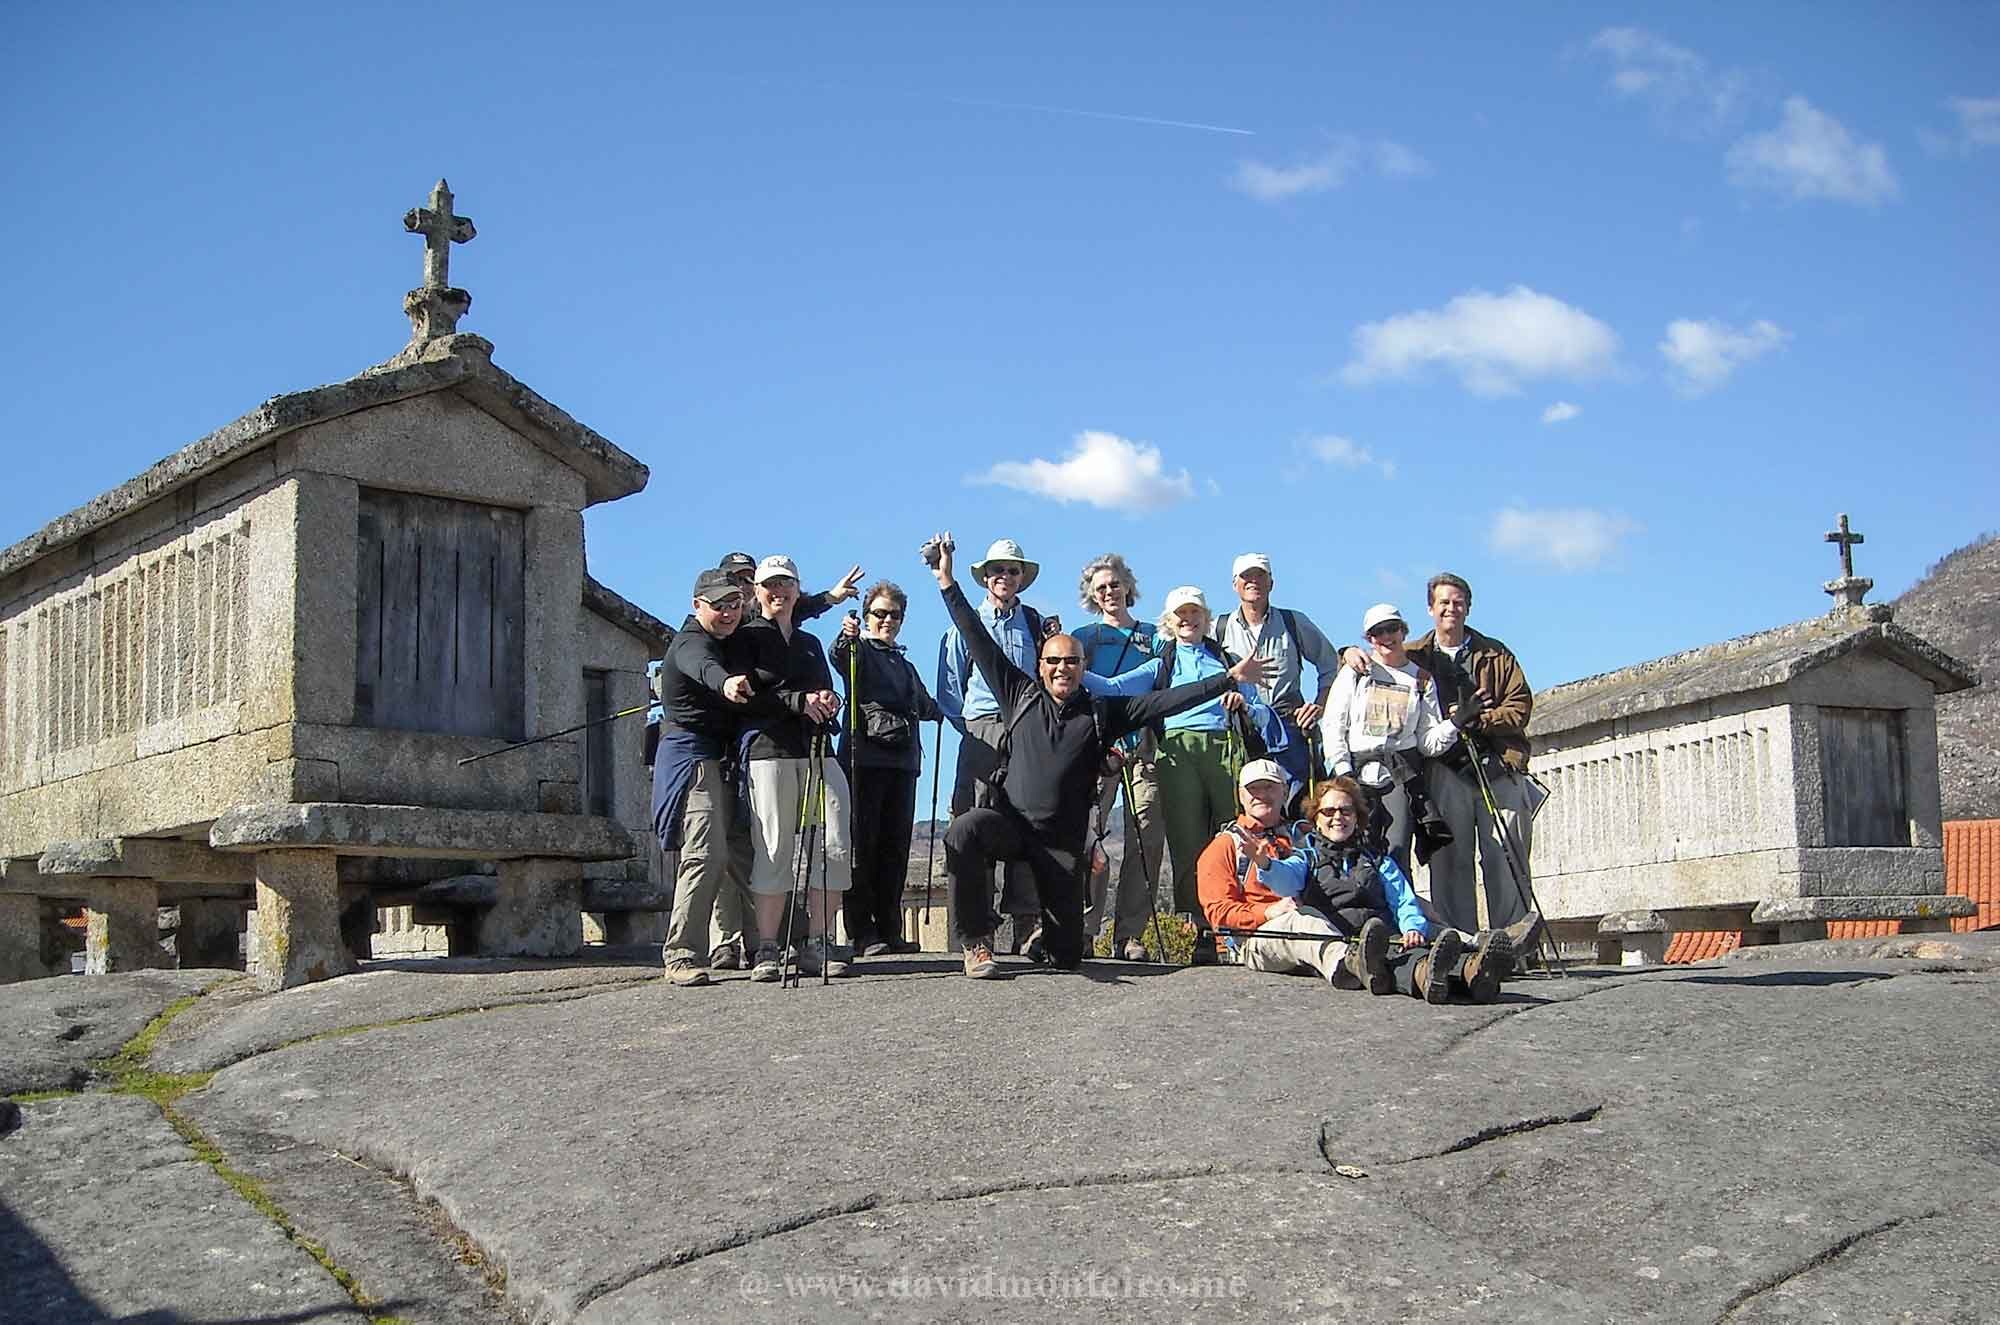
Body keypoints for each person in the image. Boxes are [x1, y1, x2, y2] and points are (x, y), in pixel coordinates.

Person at [923, 533, 1274, 978]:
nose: (1061, 669)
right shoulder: (1019, 695)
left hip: (1061, 847)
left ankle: (1050, 941)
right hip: (1011, 828)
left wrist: (1226, 680)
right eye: (1053, 662)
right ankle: (976, 942)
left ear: (1083, 668)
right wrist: (946, 582)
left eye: (1071, 662)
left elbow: (1167, 701)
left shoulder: (1103, 712)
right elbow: (976, 637)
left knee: (1067, 957)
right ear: (1039, 665)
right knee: (965, 830)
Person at [1276, 776, 1512, 1003]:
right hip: (1348, 946)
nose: (1338, 817)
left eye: (1346, 811)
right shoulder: (1306, 858)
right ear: (1316, 818)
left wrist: (1412, 927)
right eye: (1329, 811)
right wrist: (1265, 865)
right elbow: (1284, 879)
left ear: (1357, 817)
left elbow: (1402, 898)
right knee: (1397, 960)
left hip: (1386, 933)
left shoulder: (1376, 858)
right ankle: (1443, 974)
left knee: (1410, 946)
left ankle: (1475, 972)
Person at [935, 538, 1059, 953]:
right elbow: (950, 690)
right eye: (997, 571)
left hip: (1027, 732)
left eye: (1012, 570)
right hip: (981, 730)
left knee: (1030, 820)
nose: (1004, 576)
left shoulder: (1036, 623)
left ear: (1022, 577)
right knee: (975, 823)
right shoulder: (965, 626)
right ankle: (978, 932)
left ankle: (1028, 926)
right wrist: (972, 729)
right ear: (985, 578)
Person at [737, 556, 856, 981]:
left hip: (818, 749)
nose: (779, 591)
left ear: (796, 589)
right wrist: (796, 702)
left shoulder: (808, 642)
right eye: (771, 584)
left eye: (786, 583)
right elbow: (746, 698)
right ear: (757, 590)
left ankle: (820, 941)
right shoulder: (745, 637)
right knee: (773, 846)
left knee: (836, 842)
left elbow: (823, 686)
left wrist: (827, 700)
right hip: (769, 753)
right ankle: (767, 946)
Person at [1406, 572, 1541, 947]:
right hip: (1445, 768)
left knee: (1507, 858)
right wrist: (1345, 654)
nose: (1451, 608)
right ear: (1431, 608)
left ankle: (1512, 943)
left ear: (1468, 606)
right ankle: (1459, 945)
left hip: (1499, 763)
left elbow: (1520, 707)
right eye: (1443, 602)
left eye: (1458, 601)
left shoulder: (1496, 654)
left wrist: (1478, 719)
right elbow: (1376, 660)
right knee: (1450, 862)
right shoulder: (1415, 656)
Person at [1149, 586, 1277, 964]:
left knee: (1233, 836)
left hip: (1224, 747)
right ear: (1169, 622)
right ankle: (1202, 927)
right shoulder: (1162, 662)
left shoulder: (1227, 659)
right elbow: (1122, 692)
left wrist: (1243, 702)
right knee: (1187, 841)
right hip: (1177, 751)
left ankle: (1241, 924)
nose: (1188, 620)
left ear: (1206, 618)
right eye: (1180, 615)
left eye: (1195, 613)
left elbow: (1263, 713)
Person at [651, 568, 763, 987]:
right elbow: (704, 668)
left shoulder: (735, 638)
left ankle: (770, 944)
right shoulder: (690, 643)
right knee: (706, 853)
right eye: (719, 606)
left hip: (729, 760)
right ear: (697, 605)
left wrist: (826, 599)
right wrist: (728, 684)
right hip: (694, 760)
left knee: (748, 853)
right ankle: (681, 954)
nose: (729, 613)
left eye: (735, 604)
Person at [1320, 603, 1478, 877]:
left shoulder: (1421, 679)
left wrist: (1455, 722)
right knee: (1356, 848)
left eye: (1391, 628)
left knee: (1397, 851)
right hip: (1357, 772)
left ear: (1403, 631)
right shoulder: (1354, 672)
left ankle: (1401, 917)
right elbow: (1334, 725)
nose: (1386, 637)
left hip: (1400, 777)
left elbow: (1427, 742)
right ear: (1369, 639)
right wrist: (1344, 774)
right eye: (1377, 632)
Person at [833, 581, 942, 956]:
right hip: (864, 763)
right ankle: (863, 932)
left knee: (895, 848)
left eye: (894, 615)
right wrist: (846, 636)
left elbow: (928, 706)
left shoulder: (906, 665)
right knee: (863, 846)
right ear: (866, 617)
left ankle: (890, 929)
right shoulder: (858, 651)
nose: (887, 620)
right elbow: (839, 655)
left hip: (902, 765)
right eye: (880, 613)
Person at [1071, 554, 1167, 961]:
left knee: (1145, 838)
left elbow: (1161, 679)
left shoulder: (1156, 636)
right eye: (1101, 588)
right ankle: (1084, 928)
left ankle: (1130, 934)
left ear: (1128, 585)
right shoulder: (1084, 637)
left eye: (1115, 584)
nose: (1110, 592)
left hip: (1143, 745)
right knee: (1089, 838)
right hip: (1096, 746)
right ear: (1092, 596)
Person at [1213, 553, 1344, 793]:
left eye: (1259, 575)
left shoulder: (1293, 622)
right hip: (1242, 728)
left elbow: (1331, 665)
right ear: (1235, 585)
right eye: (1246, 576)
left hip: (1290, 726)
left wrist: (1319, 706)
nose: (1253, 581)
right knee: (1248, 805)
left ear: (1271, 583)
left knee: (1297, 804)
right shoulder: (1218, 629)